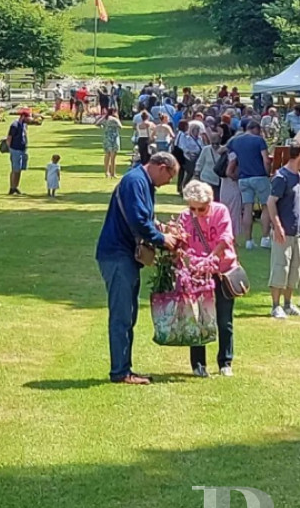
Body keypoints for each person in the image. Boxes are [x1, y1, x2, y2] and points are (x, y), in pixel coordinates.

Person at [95, 155, 179, 384]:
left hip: (123, 257)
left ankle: (125, 369)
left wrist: (160, 227)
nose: (168, 183)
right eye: (169, 176)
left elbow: (144, 217)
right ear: (161, 168)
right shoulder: (135, 181)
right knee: (122, 316)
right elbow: (138, 221)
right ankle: (120, 372)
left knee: (128, 314)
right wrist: (162, 239)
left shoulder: (141, 181)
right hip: (117, 256)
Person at [181, 180, 238, 377]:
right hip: (196, 274)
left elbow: (226, 238)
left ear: (210, 202)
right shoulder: (185, 217)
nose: (196, 212)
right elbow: (182, 244)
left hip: (221, 271)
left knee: (224, 319)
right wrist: (193, 261)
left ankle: (225, 362)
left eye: (201, 209)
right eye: (192, 208)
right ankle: (198, 365)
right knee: (198, 319)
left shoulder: (220, 211)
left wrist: (212, 258)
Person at [226, 119, 272, 250]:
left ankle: (248, 241)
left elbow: (231, 157)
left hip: (243, 178)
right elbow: (266, 160)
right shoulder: (259, 141)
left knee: (247, 208)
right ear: (255, 129)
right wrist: (267, 173)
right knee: (266, 207)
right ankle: (264, 238)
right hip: (259, 176)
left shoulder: (235, 141)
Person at [267, 146, 300, 319]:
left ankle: (288, 304)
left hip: (297, 232)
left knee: (294, 270)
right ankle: (275, 306)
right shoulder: (282, 177)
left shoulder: (298, 177)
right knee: (280, 267)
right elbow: (271, 202)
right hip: (283, 231)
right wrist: (278, 226)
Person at [174, 121, 202, 195]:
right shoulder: (184, 136)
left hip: (192, 156)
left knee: (183, 172)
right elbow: (183, 146)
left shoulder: (199, 138)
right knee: (189, 171)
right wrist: (189, 152)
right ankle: (183, 187)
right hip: (185, 156)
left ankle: (181, 188)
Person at [6, 110, 30, 196]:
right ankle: (12, 187)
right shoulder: (14, 125)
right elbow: (9, 138)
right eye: (27, 117)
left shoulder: (24, 125)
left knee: (19, 169)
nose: (29, 119)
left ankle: (16, 187)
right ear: (23, 116)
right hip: (15, 149)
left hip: (22, 149)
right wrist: (10, 149)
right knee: (15, 169)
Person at [100, 108, 122, 179]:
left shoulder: (106, 118)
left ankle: (106, 172)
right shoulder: (114, 119)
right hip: (114, 137)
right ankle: (113, 173)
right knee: (113, 157)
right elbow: (120, 126)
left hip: (107, 137)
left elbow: (97, 123)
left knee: (107, 155)